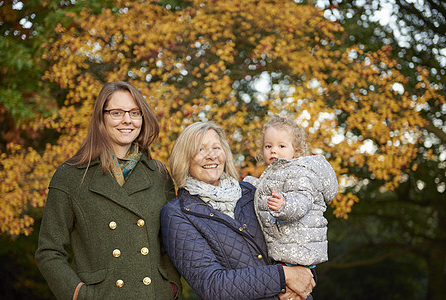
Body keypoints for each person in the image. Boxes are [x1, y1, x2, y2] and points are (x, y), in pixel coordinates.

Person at [35, 81, 182, 300]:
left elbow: (170, 243)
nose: (127, 120)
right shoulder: (71, 175)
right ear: (101, 118)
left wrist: (171, 287)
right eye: (116, 112)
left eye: (135, 112)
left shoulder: (158, 174)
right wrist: (77, 294)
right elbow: (49, 251)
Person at [160, 122, 316, 300]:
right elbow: (212, 285)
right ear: (185, 158)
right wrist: (284, 277)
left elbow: (299, 236)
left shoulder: (252, 191)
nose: (211, 156)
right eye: (200, 150)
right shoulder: (177, 214)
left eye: (216, 147)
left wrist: (305, 276)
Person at [244, 116, 338, 298]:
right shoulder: (276, 173)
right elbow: (267, 192)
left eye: (281, 146)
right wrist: (250, 184)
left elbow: (302, 200)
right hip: (287, 249)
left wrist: (284, 205)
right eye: (268, 146)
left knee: (288, 292)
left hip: (297, 249)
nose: (273, 151)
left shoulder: (299, 172)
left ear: (296, 150)